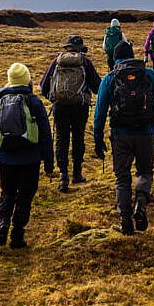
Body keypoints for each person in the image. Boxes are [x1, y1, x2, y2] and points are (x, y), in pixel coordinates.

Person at [93, 41, 154, 235]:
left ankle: (125, 221)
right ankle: (140, 204)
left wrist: (98, 139)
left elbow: (99, 114)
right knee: (145, 172)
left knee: (122, 178)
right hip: (146, 132)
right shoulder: (147, 74)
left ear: (114, 58)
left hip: (120, 135)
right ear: (132, 55)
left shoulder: (110, 79)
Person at [0, 63, 55, 249]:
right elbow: (45, 134)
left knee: (7, 192)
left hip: (6, 158)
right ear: (27, 79)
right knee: (25, 196)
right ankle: (17, 235)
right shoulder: (34, 102)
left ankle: (3, 221)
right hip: (30, 159)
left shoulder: (0, 101)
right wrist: (49, 163)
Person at [39, 35, 102, 192]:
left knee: (61, 139)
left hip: (60, 106)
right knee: (78, 137)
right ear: (81, 48)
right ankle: (77, 173)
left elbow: (43, 86)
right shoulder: (85, 62)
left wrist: (54, 99)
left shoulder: (56, 62)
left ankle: (63, 175)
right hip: (80, 106)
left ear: (66, 47)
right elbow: (97, 87)